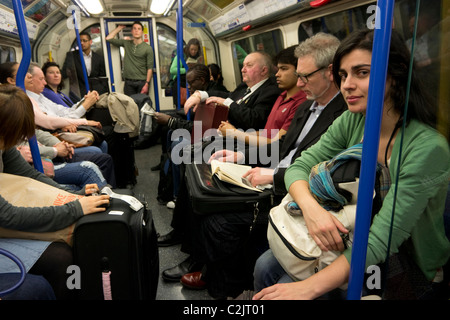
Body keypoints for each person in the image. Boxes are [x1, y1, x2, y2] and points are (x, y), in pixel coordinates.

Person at [252, 29, 449, 300]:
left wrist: (307, 288)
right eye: (343, 75)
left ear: (396, 73)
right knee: (264, 267)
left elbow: (383, 238)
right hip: (351, 231)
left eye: (362, 73)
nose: (347, 85)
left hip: (403, 260)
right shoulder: (353, 120)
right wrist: (312, 212)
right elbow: (299, 167)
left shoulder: (427, 147)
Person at [178, 34, 347, 299]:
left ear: (329, 72)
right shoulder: (308, 108)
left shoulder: (342, 115)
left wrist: (273, 175)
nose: (299, 83)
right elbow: (281, 148)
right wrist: (240, 157)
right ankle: (207, 269)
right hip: (273, 175)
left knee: (218, 222)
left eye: (305, 77)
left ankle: (226, 292)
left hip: (288, 191)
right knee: (201, 189)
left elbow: (316, 166)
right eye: (298, 76)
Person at [0, 84, 110, 299]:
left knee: (65, 246)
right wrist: (75, 208)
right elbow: (7, 216)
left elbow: (30, 175)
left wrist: (74, 196)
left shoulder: (3, 144)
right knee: (60, 258)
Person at [217, 45, 307, 146]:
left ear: (299, 71)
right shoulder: (282, 96)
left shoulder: (301, 101)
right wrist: (234, 132)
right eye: (278, 69)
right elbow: (268, 132)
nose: (277, 74)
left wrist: (235, 133)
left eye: (284, 69)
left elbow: (277, 143)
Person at [184, 51, 281, 131]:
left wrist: (227, 103)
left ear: (264, 70)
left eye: (249, 65)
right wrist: (200, 94)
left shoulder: (271, 91)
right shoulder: (244, 87)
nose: (243, 70)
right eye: (243, 65)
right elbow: (229, 95)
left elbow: (254, 119)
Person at [27, 62, 99, 119]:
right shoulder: (46, 93)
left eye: (58, 72)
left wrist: (85, 100)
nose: (56, 75)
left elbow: (68, 110)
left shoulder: (58, 94)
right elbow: (64, 117)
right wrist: (86, 104)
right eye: (51, 73)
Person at [106, 22, 154, 96]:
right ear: (131, 31)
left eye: (139, 29)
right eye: (134, 29)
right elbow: (108, 38)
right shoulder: (127, 43)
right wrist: (119, 28)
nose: (136, 31)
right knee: (129, 106)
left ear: (142, 32)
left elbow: (150, 68)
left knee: (142, 105)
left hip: (142, 82)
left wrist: (147, 84)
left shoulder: (148, 48)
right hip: (128, 82)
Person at [61, 31, 107, 101]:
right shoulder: (72, 56)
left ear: (90, 42)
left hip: (96, 93)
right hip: (79, 94)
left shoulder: (98, 58)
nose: (82, 43)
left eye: (84, 41)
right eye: (80, 41)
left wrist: (100, 91)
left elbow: (102, 77)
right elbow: (65, 73)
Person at [169, 38, 204, 107]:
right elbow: (172, 70)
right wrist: (186, 69)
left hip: (193, 85)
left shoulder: (199, 58)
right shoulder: (181, 56)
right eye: (192, 49)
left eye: (195, 50)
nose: (193, 52)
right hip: (181, 84)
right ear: (188, 48)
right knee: (182, 106)